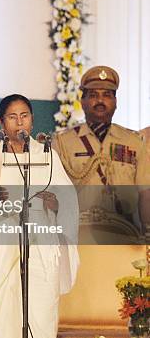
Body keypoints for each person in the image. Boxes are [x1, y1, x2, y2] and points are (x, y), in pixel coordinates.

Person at [0, 94, 79, 338]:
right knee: (3, 323)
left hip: (40, 253)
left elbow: (69, 204)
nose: (19, 122)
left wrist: (55, 204)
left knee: (41, 318)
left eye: (24, 116)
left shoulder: (47, 157)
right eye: (12, 117)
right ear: (2, 123)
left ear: (32, 121)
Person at [53, 65, 150, 238]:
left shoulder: (134, 142)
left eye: (107, 95)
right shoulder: (62, 143)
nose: (100, 100)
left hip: (126, 233)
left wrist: (147, 233)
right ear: (82, 102)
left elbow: (146, 192)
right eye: (93, 95)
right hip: (78, 236)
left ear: (115, 102)